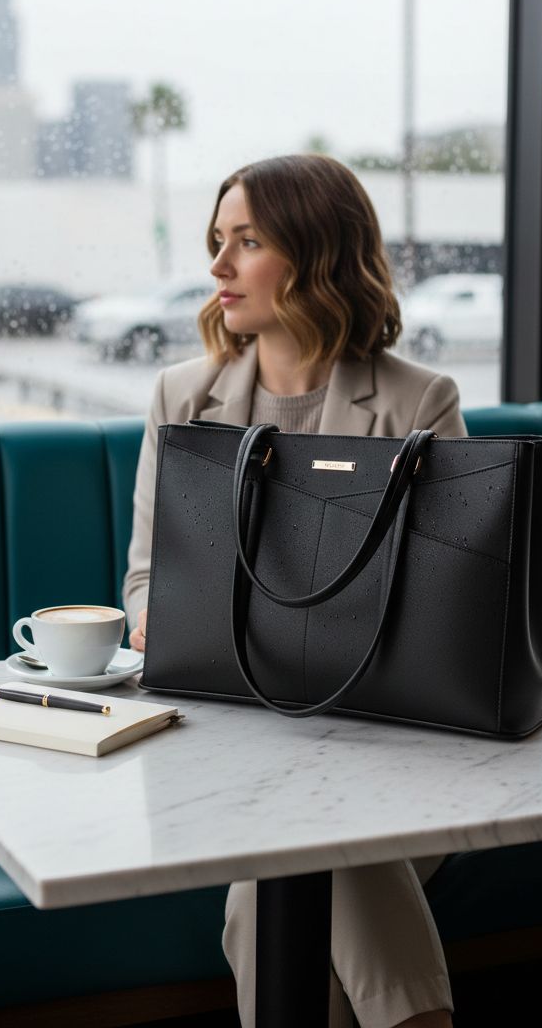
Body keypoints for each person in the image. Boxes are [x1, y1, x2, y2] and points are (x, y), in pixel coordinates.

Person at [123, 154, 465, 1028]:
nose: (218, 267)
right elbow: (145, 581)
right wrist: (161, 620)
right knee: (286, 887)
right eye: (217, 241)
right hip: (232, 742)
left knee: (262, 903)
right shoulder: (181, 397)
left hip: (389, 743)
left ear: (314, 255)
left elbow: (444, 602)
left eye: (247, 241)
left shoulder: (418, 403)